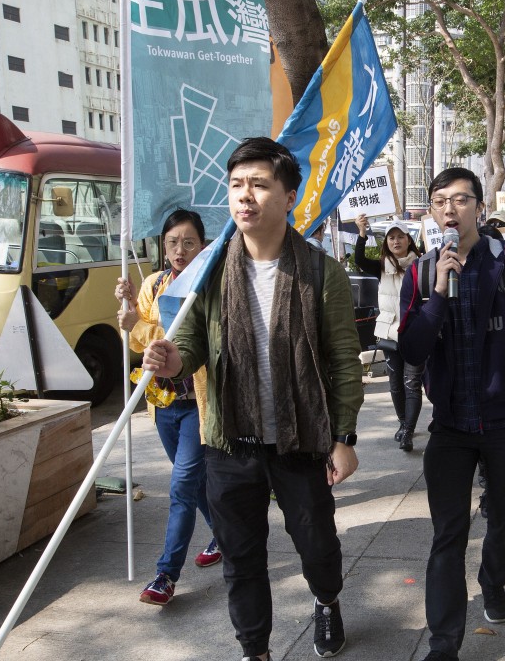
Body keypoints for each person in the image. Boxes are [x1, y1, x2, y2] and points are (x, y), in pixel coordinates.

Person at [141, 137, 363, 661]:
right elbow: (191, 338)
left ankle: (326, 600)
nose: (245, 197)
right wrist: (173, 360)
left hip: (300, 439)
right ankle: (254, 649)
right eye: (237, 186)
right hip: (229, 442)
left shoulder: (318, 271)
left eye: (260, 185)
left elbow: (342, 359)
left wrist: (345, 437)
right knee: (241, 558)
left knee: (318, 546)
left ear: (289, 197)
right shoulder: (211, 268)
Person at [398, 167, 505, 661]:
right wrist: (438, 295)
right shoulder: (422, 273)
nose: (450, 209)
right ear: (431, 211)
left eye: (461, 199)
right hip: (449, 425)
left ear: (478, 209)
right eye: (440, 200)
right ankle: (444, 643)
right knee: (448, 535)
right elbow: (412, 349)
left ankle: (493, 579)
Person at [114, 209, 221, 606]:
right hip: (162, 404)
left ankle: (165, 575)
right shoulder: (154, 283)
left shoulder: (207, 286)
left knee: (180, 487)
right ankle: (227, 538)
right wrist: (128, 316)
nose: (180, 250)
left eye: (189, 242)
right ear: (163, 246)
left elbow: (171, 340)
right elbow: (141, 347)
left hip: (197, 403)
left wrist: (135, 326)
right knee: (194, 487)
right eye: (173, 242)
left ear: (203, 245)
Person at [354, 214, 423, 451]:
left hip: (413, 333)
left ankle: (409, 432)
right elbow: (360, 259)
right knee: (396, 383)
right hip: (389, 334)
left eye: (400, 237)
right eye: (391, 238)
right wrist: (362, 234)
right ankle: (403, 424)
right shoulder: (381, 266)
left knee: (412, 383)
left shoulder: (420, 264)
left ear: (408, 240)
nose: (395, 241)